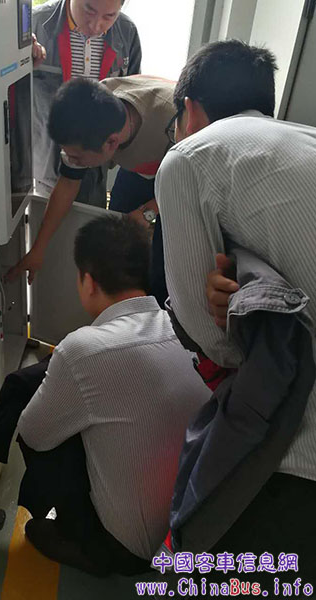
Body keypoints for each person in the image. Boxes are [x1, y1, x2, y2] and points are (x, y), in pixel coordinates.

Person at [155, 39, 316, 589]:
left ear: (190, 110)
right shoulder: (303, 141)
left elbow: (207, 337)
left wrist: (234, 318)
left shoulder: (189, 158)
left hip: (298, 450)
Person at [0, 215, 210, 576]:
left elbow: (32, 434)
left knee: (44, 416)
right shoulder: (184, 325)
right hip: (190, 525)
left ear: (89, 282)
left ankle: (83, 541)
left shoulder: (82, 349)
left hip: (130, 551)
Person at [8, 75, 176, 306]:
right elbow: (68, 184)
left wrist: (149, 212)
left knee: (162, 264)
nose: (72, 161)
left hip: (181, 169)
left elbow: (188, 182)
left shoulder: (173, 122)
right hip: (140, 167)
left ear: (111, 143)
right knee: (119, 243)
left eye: (77, 157)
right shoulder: (95, 113)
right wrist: (38, 249)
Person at [32, 0, 141, 205]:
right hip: (45, 163)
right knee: (44, 216)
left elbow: (132, 93)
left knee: (89, 219)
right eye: (89, 10)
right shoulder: (35, 25)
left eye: (109, 16)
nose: (96, 25)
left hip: (95, 162)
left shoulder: (127, 32)